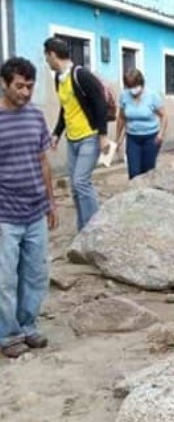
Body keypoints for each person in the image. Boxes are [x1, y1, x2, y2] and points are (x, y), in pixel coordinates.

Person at [0, 57, 58, 358]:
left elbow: (43, 161)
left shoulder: (35, 116)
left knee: (35, 274)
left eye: (30, 87)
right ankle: (8, 335)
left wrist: (51, 201)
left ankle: (28, 326)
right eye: (19, 86)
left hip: (35, 210)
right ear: (4, 84)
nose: (25, 93)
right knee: (5, 278)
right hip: (5, 215)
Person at [43, 37, 109, 232]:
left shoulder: (81, 75)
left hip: (89, 136)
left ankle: (96, 229)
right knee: (74, 187)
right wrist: (56, 133)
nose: (46, 61)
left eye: (46, 56)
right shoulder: (59, 79)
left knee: (81, 182)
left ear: (53, 55)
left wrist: (103, 135)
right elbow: (66, 109)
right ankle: (83, 230)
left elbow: (100, 104)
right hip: (72, 139)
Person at [115, 69, 168, 180]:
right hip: (132, 138)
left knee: (147, 172)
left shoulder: (152, 96)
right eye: (129, 87)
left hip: (151, 137)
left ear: (141, 84)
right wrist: (118, 138)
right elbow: (121, 118)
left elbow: (164, 116)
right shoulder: (124, 96)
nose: (133, 90)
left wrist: (161, 134)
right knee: (134, 172)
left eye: (134, 86)